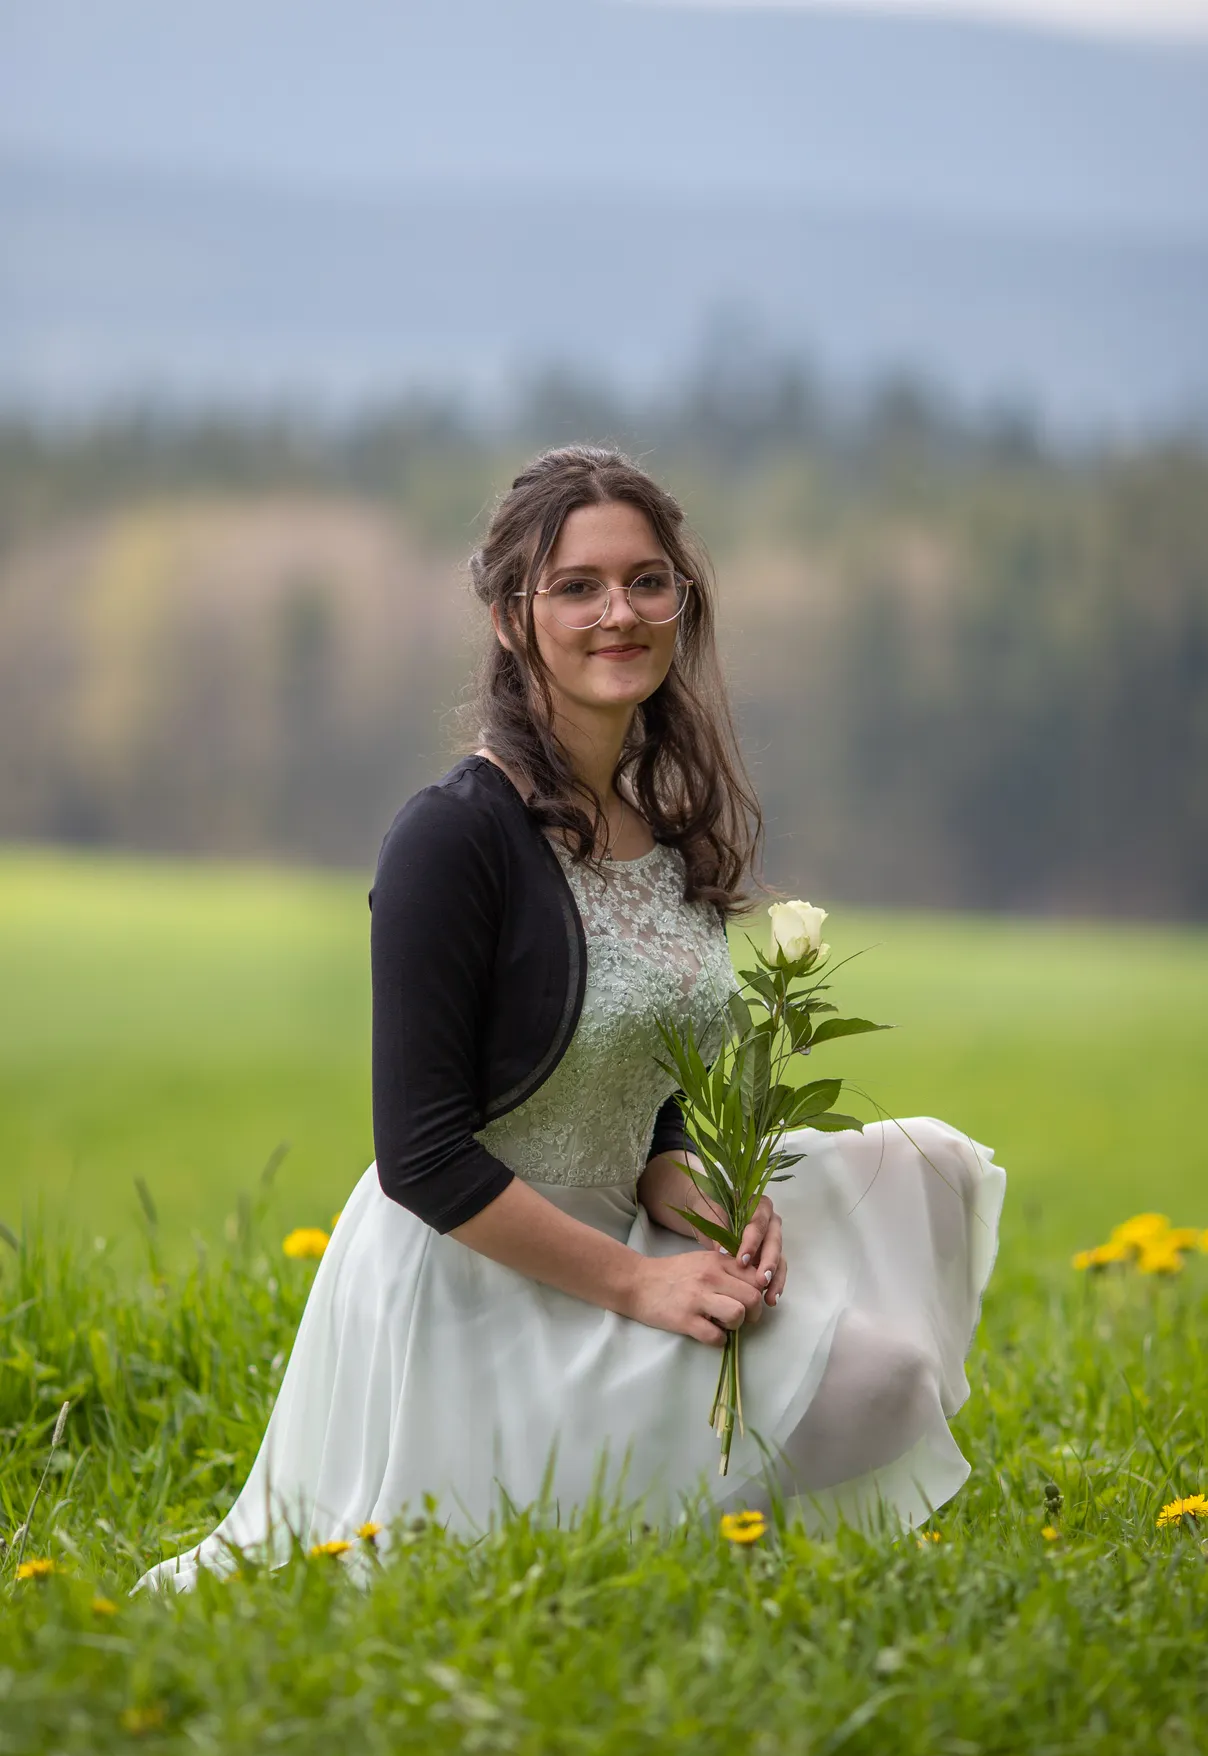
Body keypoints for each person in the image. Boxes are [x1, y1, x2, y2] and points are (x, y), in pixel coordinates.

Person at [135, 446, 1005, 1592]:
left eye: (648, 582)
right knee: (872, 1383)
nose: (619, 613)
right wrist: (643, 1286)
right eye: (576, 586)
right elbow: (423, 1156)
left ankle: (728, 1561)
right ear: (509, 615)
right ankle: (690, 1542)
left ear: (680, 602)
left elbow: (644, 1094)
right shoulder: (452, 838)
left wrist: (692, 1186)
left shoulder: (664, 823)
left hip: (626, 1226)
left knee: (915, 1178)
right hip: (477, 1273)